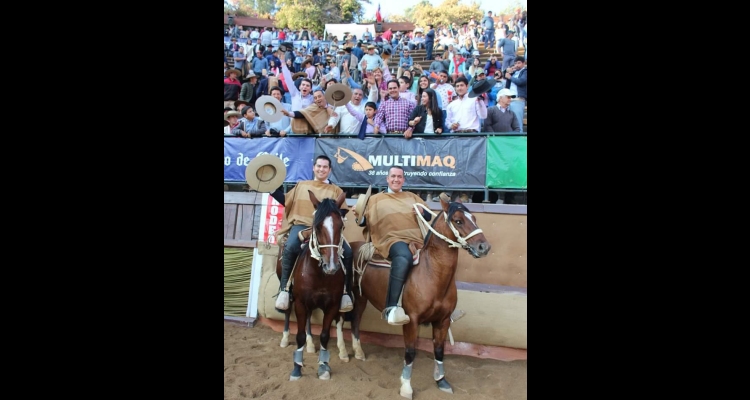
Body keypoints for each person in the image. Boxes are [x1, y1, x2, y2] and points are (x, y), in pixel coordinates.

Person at [271, 155, 354, 313]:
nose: (321, 169)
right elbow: (286, 200)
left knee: (348, 253)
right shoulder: (301, 185)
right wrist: (271, 190)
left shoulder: (336, 190)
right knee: (290, 247)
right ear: (313, 168)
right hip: (302, 224)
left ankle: (346, 293)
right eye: (319, 166)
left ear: (329, 170)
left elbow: (341, 211)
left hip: (326, 229)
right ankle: (284, 290)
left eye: (325, 167)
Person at [351, 166, 433, 325]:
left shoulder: (413, 197)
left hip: (417, 240)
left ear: (403, 180)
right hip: (390, 240)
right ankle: (391, 307)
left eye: (399, 177)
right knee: (403, 257)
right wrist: (358, 216)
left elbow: (428, 216)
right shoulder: (375, 199)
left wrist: (423, 213)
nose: (396, 179)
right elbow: (364, 221)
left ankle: (437, 309)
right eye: (393, 176)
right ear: (387, 179)